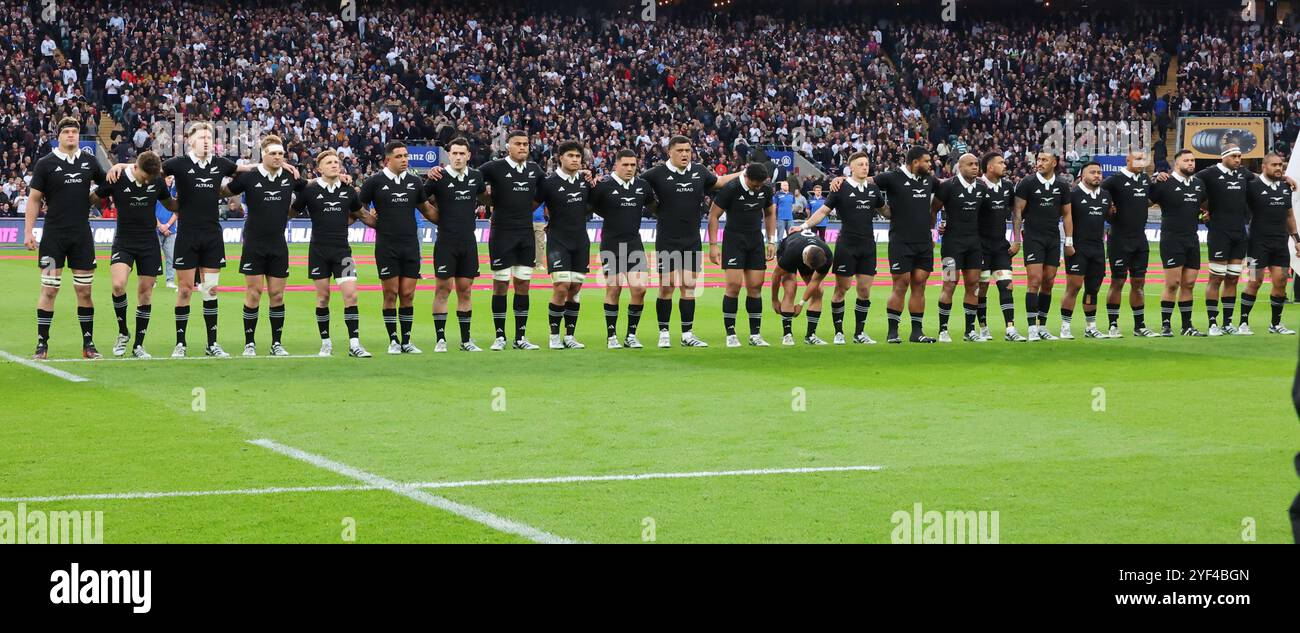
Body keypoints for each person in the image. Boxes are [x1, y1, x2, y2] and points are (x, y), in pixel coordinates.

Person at [639, 135, 740, 348]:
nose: (685, 154)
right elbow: (637, 187)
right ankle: (664, 333)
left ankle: (687, 334)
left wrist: (743, 173)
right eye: (680, 151)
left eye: (688, 150)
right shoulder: (656, 173)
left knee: (689, 286)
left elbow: (719, 182)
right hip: (667, 239)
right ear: (670, 152)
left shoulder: (699, 171)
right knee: (666, 287)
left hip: (692, 239)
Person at [24, 117, 108, 359]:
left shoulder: (89, 161)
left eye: (74, 131)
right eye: (67, 132)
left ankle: (88, 345)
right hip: (53, 237)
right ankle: (42, 344)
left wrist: (117, 171)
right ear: (58, 136)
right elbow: (34, 199)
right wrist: (29, 232)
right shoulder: (46, 163)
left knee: (85, 292)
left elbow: (106, 184)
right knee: (49, 290)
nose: (71, 135)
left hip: (81, 236)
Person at [224, 135, 305, 357]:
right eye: (274, 153)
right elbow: (224, 189)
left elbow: (309, 190)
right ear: (264, 155)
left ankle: (276, 343)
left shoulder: (291, 176)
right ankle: (249, 343)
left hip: (278, 244)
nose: (278, 157)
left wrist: (339, 177)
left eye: (281, 154)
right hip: (253, 243)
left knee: (277, 295)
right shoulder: (249, 177)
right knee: (254, 293)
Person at [91, 150, 176, 357]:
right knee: (118, 285)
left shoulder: (157, 181)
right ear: (136, 168)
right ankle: (123, 332)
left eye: (151, 179)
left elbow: (170, 204)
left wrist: (194, 202)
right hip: (124, 241)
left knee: (145, 293)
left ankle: (138, 345)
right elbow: (93, 198)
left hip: (149, 242)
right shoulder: (117, 178)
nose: (148, 182)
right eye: (145, 177)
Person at [358, 140, 439, 354]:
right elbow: (357, 207)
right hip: (387, 246)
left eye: (406, 156)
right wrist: (372, 221)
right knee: (391, 294)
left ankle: (407, 341)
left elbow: (426, 209)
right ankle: (393, 340)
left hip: (410, 244)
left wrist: (451, 221)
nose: (404, 160)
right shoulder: (374, 182)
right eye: (399, 156)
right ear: (388, 159)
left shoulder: (414, 182)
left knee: (408, 294)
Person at [795, 152, 882, 344]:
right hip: (847, 245)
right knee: (842, 289)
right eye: (860, 164)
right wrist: (803, 226)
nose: (865, 167)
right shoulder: (840, 187)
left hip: (868, 245)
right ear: (851, 167)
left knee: (865, 290)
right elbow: (823, 211)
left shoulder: (874, 190)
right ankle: (839, 332)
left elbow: (887, 211)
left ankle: (859, 333)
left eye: (867, 164)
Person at [294, 149, 374, 357]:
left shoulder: (348, 191)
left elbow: (362, 214)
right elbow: (291, 212)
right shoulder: (309, 191)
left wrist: (384, 225)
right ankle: (326, 342)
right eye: (329, 162)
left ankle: (354, 344)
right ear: (319, 168)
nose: (334, 165)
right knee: (323, 298)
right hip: (318, 252)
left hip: (343, 252)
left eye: (336, 162)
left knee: (351, 295)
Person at [424, 137, 488, 352]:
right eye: (455, 153)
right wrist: (434, 217)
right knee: (443, 289)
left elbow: (485, 197)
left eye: (462, 153)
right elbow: (419, 199)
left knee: (466, 290)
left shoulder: (476, 177)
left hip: (469, 241)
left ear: (468, 155)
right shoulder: (437, 177)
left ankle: (466, 340)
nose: (459, 157)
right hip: (446, 241)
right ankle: (440, 339)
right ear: (448, 155)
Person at [590, 148, 656, 349]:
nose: (629, 168)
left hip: (634, 243)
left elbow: (655, 207)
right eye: (625, 165)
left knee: (640, 289)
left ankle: (631, 335)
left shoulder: (642, 186)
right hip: (611, 244)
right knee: (614, 288)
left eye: (633, 165)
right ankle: (612, 336)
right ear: (616, 165)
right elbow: (588, 206)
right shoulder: (603, 186)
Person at [708, 162, 776, 347]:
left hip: (755, 241)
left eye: (761, 185)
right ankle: (731, 334)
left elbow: (770, 212)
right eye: (755, 184)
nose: (758, 188)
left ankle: (755, 335)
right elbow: (713, 215)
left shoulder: (766, 188)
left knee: (755, 287)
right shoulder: (731, 188)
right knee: (733, 286)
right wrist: (713, 245)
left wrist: (771, 240)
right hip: (733, 241)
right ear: (746, 178)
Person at [536, 139, 591, 350]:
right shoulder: (548, 183)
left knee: (575, 288)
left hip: (580, 240)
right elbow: (531, 204)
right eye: (571, 156)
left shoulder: (586, 182)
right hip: (558, 240)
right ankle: (554, 336)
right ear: (561, 158)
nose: (575, 159)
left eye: (578, 156)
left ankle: (570, 336)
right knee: (561, 287)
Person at [1012, 152, 1072, 341]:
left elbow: (1067, 214)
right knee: (1035, 280)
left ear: (1054, 163)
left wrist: (1068, 240)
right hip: (1033, 237)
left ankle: (1042, 326)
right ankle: (1031, 328)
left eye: (1044, 160)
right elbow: (1017, 211)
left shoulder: (1062, 185)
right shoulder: (1027, 183)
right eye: (1038, 160)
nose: (1040, 163)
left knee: (1049, 282)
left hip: (1053, 238)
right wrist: (1017, 239)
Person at [1238, 151, 1299, 335]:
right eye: (1274, 165)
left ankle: (1275, 324)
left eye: (1281, 165)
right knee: (1254, 281)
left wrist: (1296, 239)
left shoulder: (1285, 187)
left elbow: (1289, 215)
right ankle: (1243, 323)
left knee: (1280, 281)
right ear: (1264, 167)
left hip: (1280, 243)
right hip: (1257, 243)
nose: (1279, 168)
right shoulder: (1252, 186)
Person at [1148, 150, 1207, 337]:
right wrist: (1153, 179)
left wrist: (1207, 213)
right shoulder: (1164, 183)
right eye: (1186, 161)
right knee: (1172, 284)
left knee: (1189, 284)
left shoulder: (1198, 185)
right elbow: (1144, 202)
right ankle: (1166, 325)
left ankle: (1187, 326)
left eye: (1193, 160)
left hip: (1192, 239)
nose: (1191, 164)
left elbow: (1205, 205)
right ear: (1176, 164)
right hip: (1171, 239)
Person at [931, 153, 986, 343]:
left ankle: (969, 330)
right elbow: (933, 209)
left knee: (973, 285)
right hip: (951, 245)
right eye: (970, 164)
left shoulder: (982, 186)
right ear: (960, 167)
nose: (974, 167)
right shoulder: (947, 186)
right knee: (949, 284)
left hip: (974, 244)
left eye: (976, 164)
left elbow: (986, 213)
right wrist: (936, 229)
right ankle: (943, 330)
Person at [1060, 162, 1112, 339]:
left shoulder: (1105, 196)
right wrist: (1068, 243)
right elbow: (1066, 219)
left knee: (1093, 289)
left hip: (1097, 248)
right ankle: (1065, 326)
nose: (1097, 175)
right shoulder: (1073, 195)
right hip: (1077, 248)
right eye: (1093, 172)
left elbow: (1110, 217)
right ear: (1082, 176)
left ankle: (1091, 327)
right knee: (1073, 287)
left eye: (1099, 172)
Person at [771, 229, 833, 345]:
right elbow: (776, 275)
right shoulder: (791, 253)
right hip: (789, 248)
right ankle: (787, 335)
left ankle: (810, 336)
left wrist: (801, 303)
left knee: (818, 291)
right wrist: (774, 299)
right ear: (804, 257)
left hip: (808, 253)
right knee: (790, 289)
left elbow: (815, 282)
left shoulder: (827, 256)